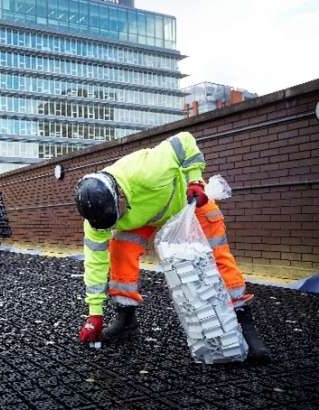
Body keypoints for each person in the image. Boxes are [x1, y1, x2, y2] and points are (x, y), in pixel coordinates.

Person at [75, 131, 270, 363]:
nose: (113, 225)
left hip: (188, 201)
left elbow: (185, 140)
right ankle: (126, 317)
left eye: (118, 216)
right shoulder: (98, 221)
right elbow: (95, 264)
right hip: (145, 217)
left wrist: (195, 179)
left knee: (215, 251)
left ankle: (241, 317)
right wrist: (94, 313)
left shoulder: (148, 169)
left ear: (119, 196)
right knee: (120, 247)